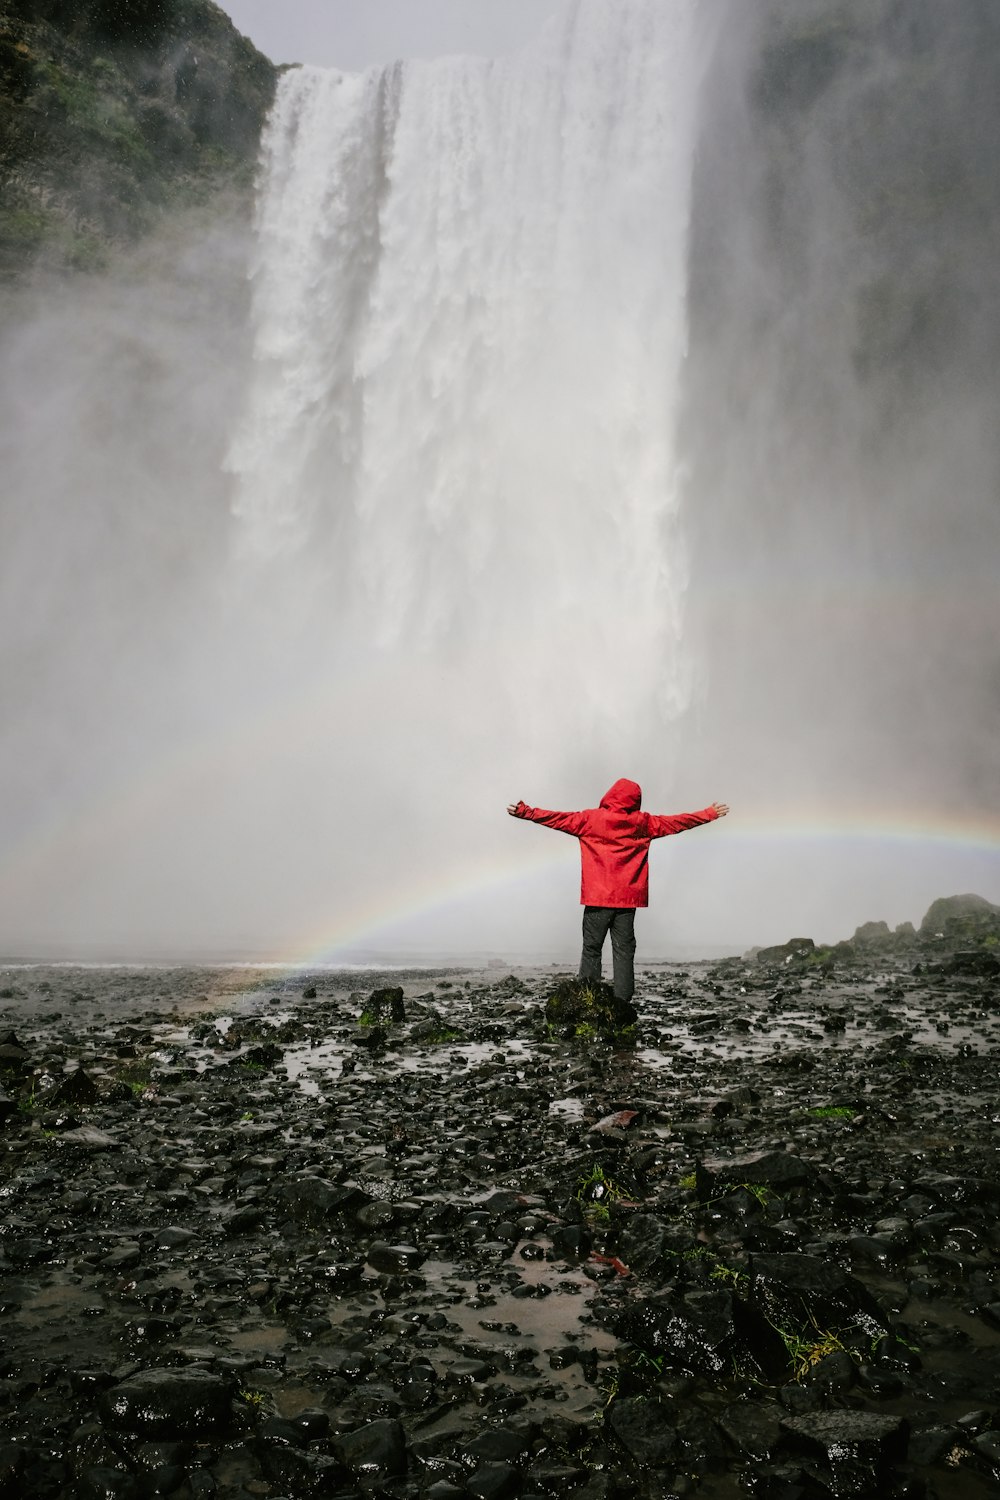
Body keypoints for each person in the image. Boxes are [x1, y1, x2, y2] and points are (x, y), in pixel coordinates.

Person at [507, 779, 728, 1003]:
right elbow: (678, 822)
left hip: (597, 900)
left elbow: (556, 819)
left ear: (610, 795)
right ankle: (622, 1000)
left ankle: (589, 995)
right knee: (624, 951)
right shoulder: (643, 823)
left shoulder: (590, 819)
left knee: (592, 948)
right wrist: (709, 813)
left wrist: (525, 812)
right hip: (627, 901)